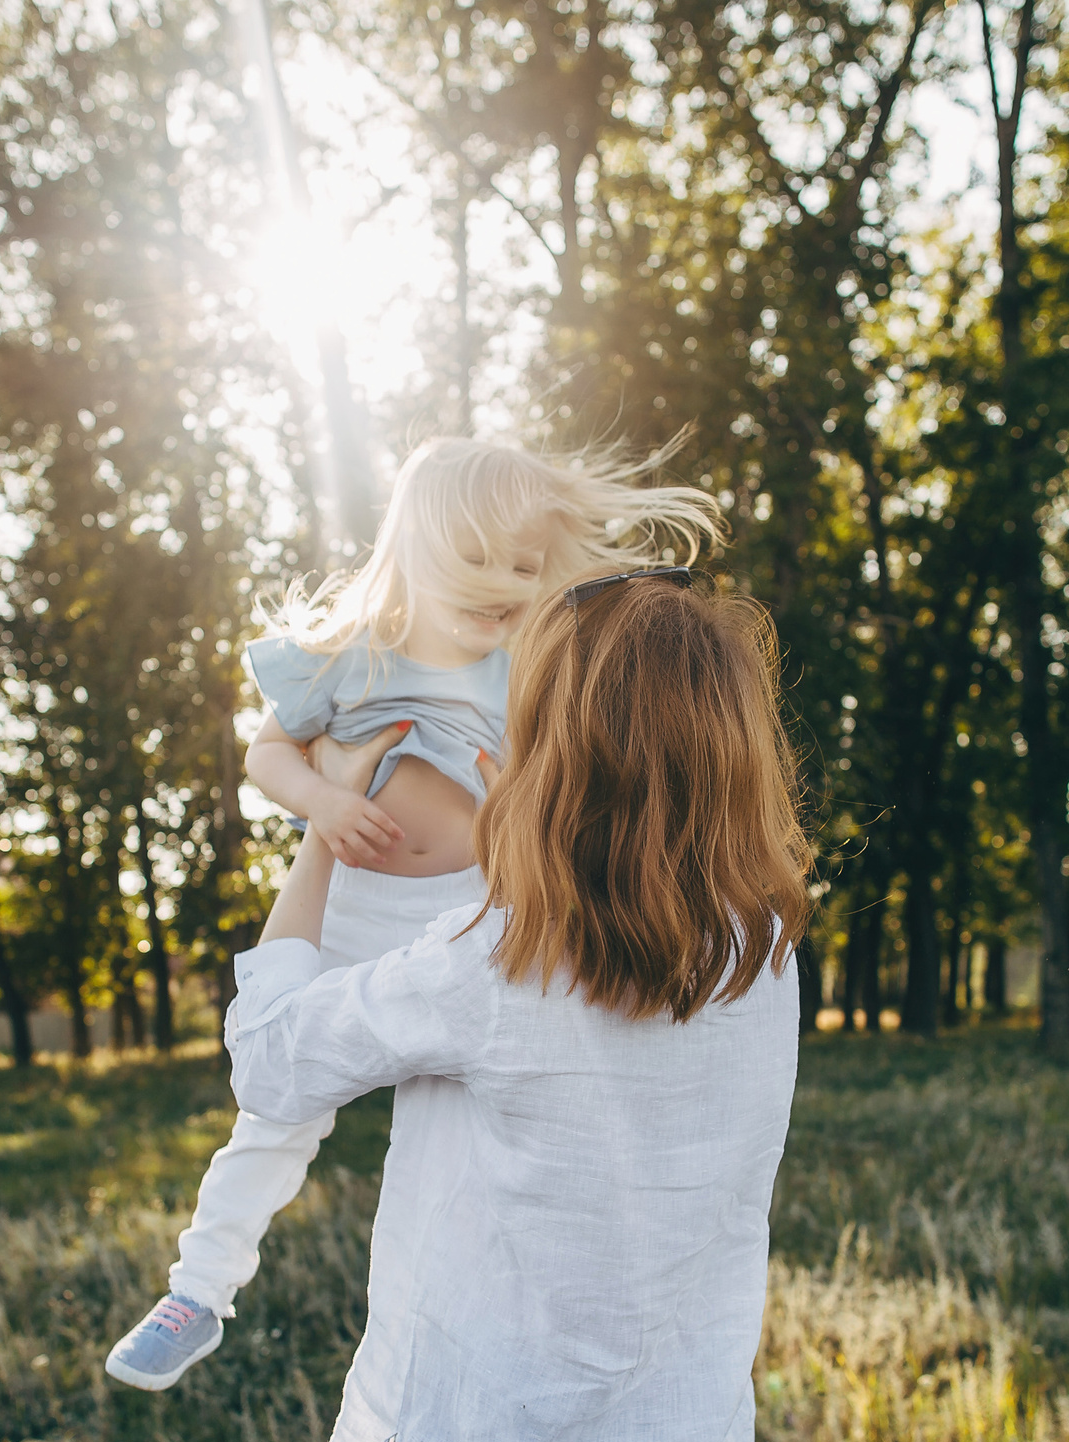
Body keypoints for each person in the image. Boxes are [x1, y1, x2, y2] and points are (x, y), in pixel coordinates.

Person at [223, 568, 811, 1442]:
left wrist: (321, 821)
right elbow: (622, 917)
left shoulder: (489, 964)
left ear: (541, 750)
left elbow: (272, 1057)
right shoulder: (765, 953)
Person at [106, 438, 723, 1390]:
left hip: (474, 911)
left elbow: (558, 789)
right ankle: (201, 1288)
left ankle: (491, 1320)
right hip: (356, 901)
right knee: (279, 1106)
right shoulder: (349, 656)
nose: (504, 583)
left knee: (477, 1120)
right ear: (418, 545)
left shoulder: (528, 669)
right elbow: (266, 757)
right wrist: (324, 803)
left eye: (523, 565)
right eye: (479, 559)